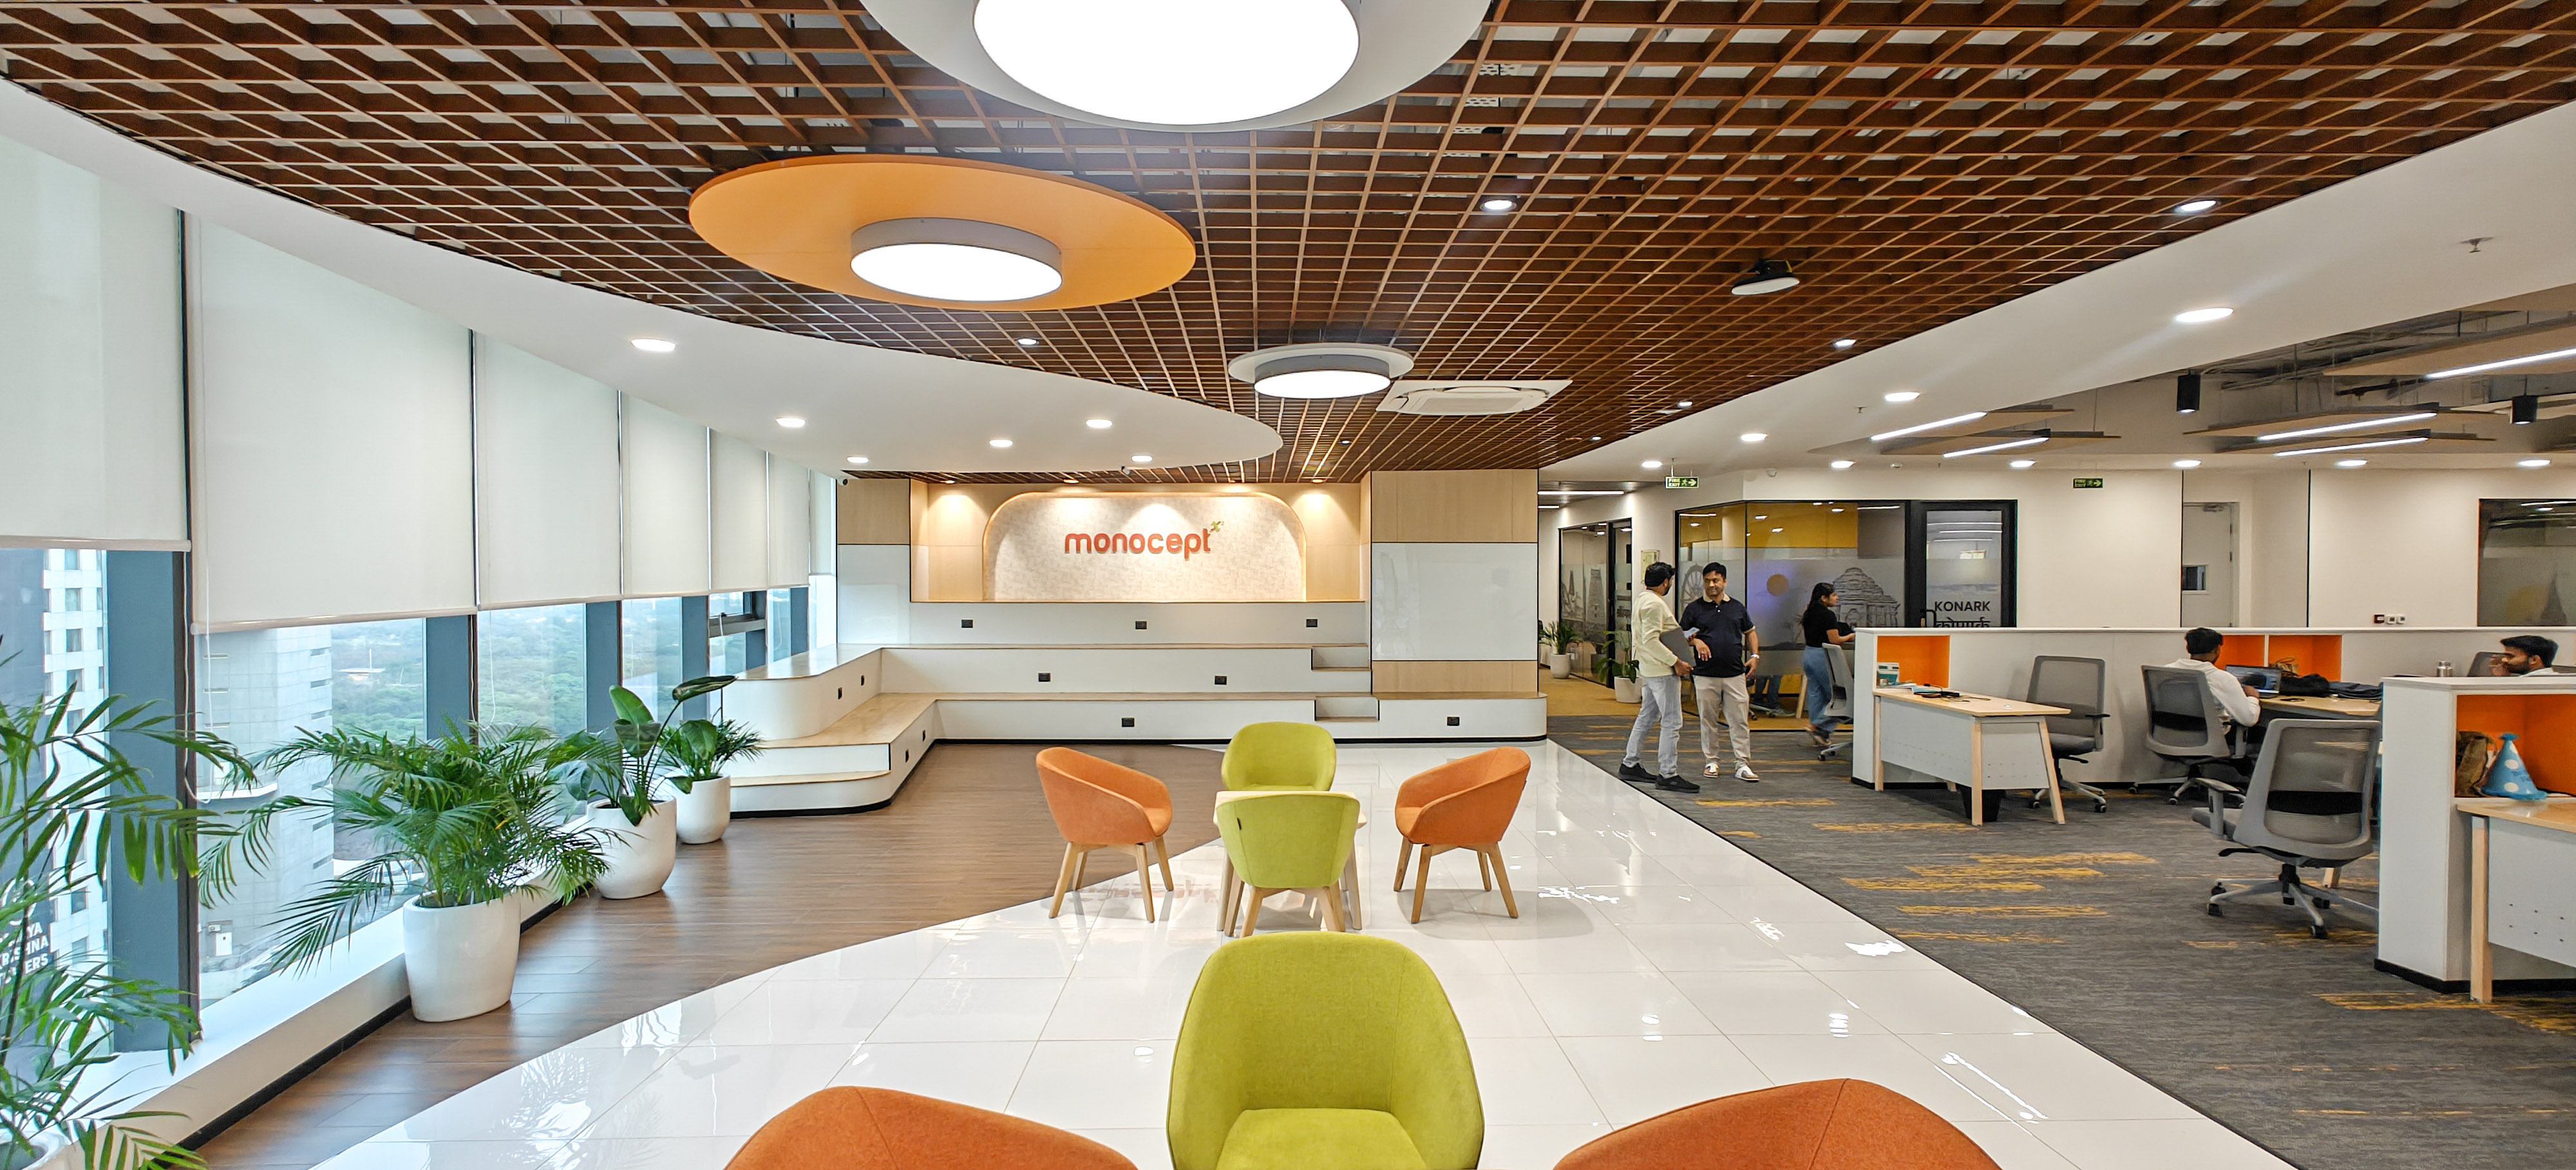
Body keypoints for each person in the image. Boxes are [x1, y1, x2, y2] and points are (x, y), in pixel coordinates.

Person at [1618, 562, 1698, 792]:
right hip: (1662, 671)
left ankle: (1630, 763)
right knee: (1672, 722)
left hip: (1650, 669)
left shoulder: (1642, 600)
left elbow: (1651, 637)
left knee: (1647, 716)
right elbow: (1651, 640)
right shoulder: (1654, 604)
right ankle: (1668, 773)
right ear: (1666, 582)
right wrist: (1676, 661)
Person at [1681, 563, 1761, 783]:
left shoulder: (1737, 607)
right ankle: (1712, 761)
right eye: (1707, 581)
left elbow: (1751, 632)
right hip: (1705, 674)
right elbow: (1682, 635)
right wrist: (1696, 642)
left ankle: (1742, 764)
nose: (1711, 585)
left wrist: (1755, 655)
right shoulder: (1694, 609)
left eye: (1716, 580)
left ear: (1724, 582)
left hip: (1735, 674)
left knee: (1739, 721)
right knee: (1708, 720)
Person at [2166, 627, 2262, 747]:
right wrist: (2253, 698)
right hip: (2206, 739)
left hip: (2169, 735)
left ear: (2188, 648)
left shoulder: (2167, 671)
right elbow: (2249, 719)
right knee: (2261, 732)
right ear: (2217, 650)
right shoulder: (2221, 678)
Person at [1800, 583, 1855, 749]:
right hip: (1823, 656)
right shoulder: (1828, 615)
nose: (1837, 598)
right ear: (1824, 598)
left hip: (1809, 655)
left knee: (1816, 694)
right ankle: (1818, 726)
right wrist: (1850, 637)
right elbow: (1835, 640)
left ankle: (1821, 734)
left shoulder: (1809, 613)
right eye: (1834, 595)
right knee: (1838, 696)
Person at [2495, 635, 2564, 675]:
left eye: (2511, 656)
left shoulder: (2526, 686)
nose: (2504, 660)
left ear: (2534, 660)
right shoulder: (2560, 681)